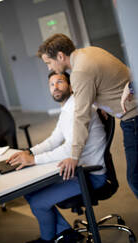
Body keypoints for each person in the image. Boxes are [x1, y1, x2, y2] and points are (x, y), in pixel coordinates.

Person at [7, 72, 107, 243]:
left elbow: (69, 149)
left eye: (60, 82)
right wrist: (29, 151)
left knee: (38, 202)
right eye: (52, 84)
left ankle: (48, 242)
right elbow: (54, 139)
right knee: (30, 190)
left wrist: (33, 160)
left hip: (88, 174)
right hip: (76, 170)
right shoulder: (67, 108)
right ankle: (65, 234)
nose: (55, 87)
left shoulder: (76, 109)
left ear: (70, 85)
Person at [37, 33, 138, 198]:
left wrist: (74, 156)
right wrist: (101, 103)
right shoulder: (90, 52)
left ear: (60, 56)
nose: (49, 68)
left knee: (136, 178)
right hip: (134, 111)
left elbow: (81, 117)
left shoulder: (80, 72)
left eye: (49, 62)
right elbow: (107, 82)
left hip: (133, 119)